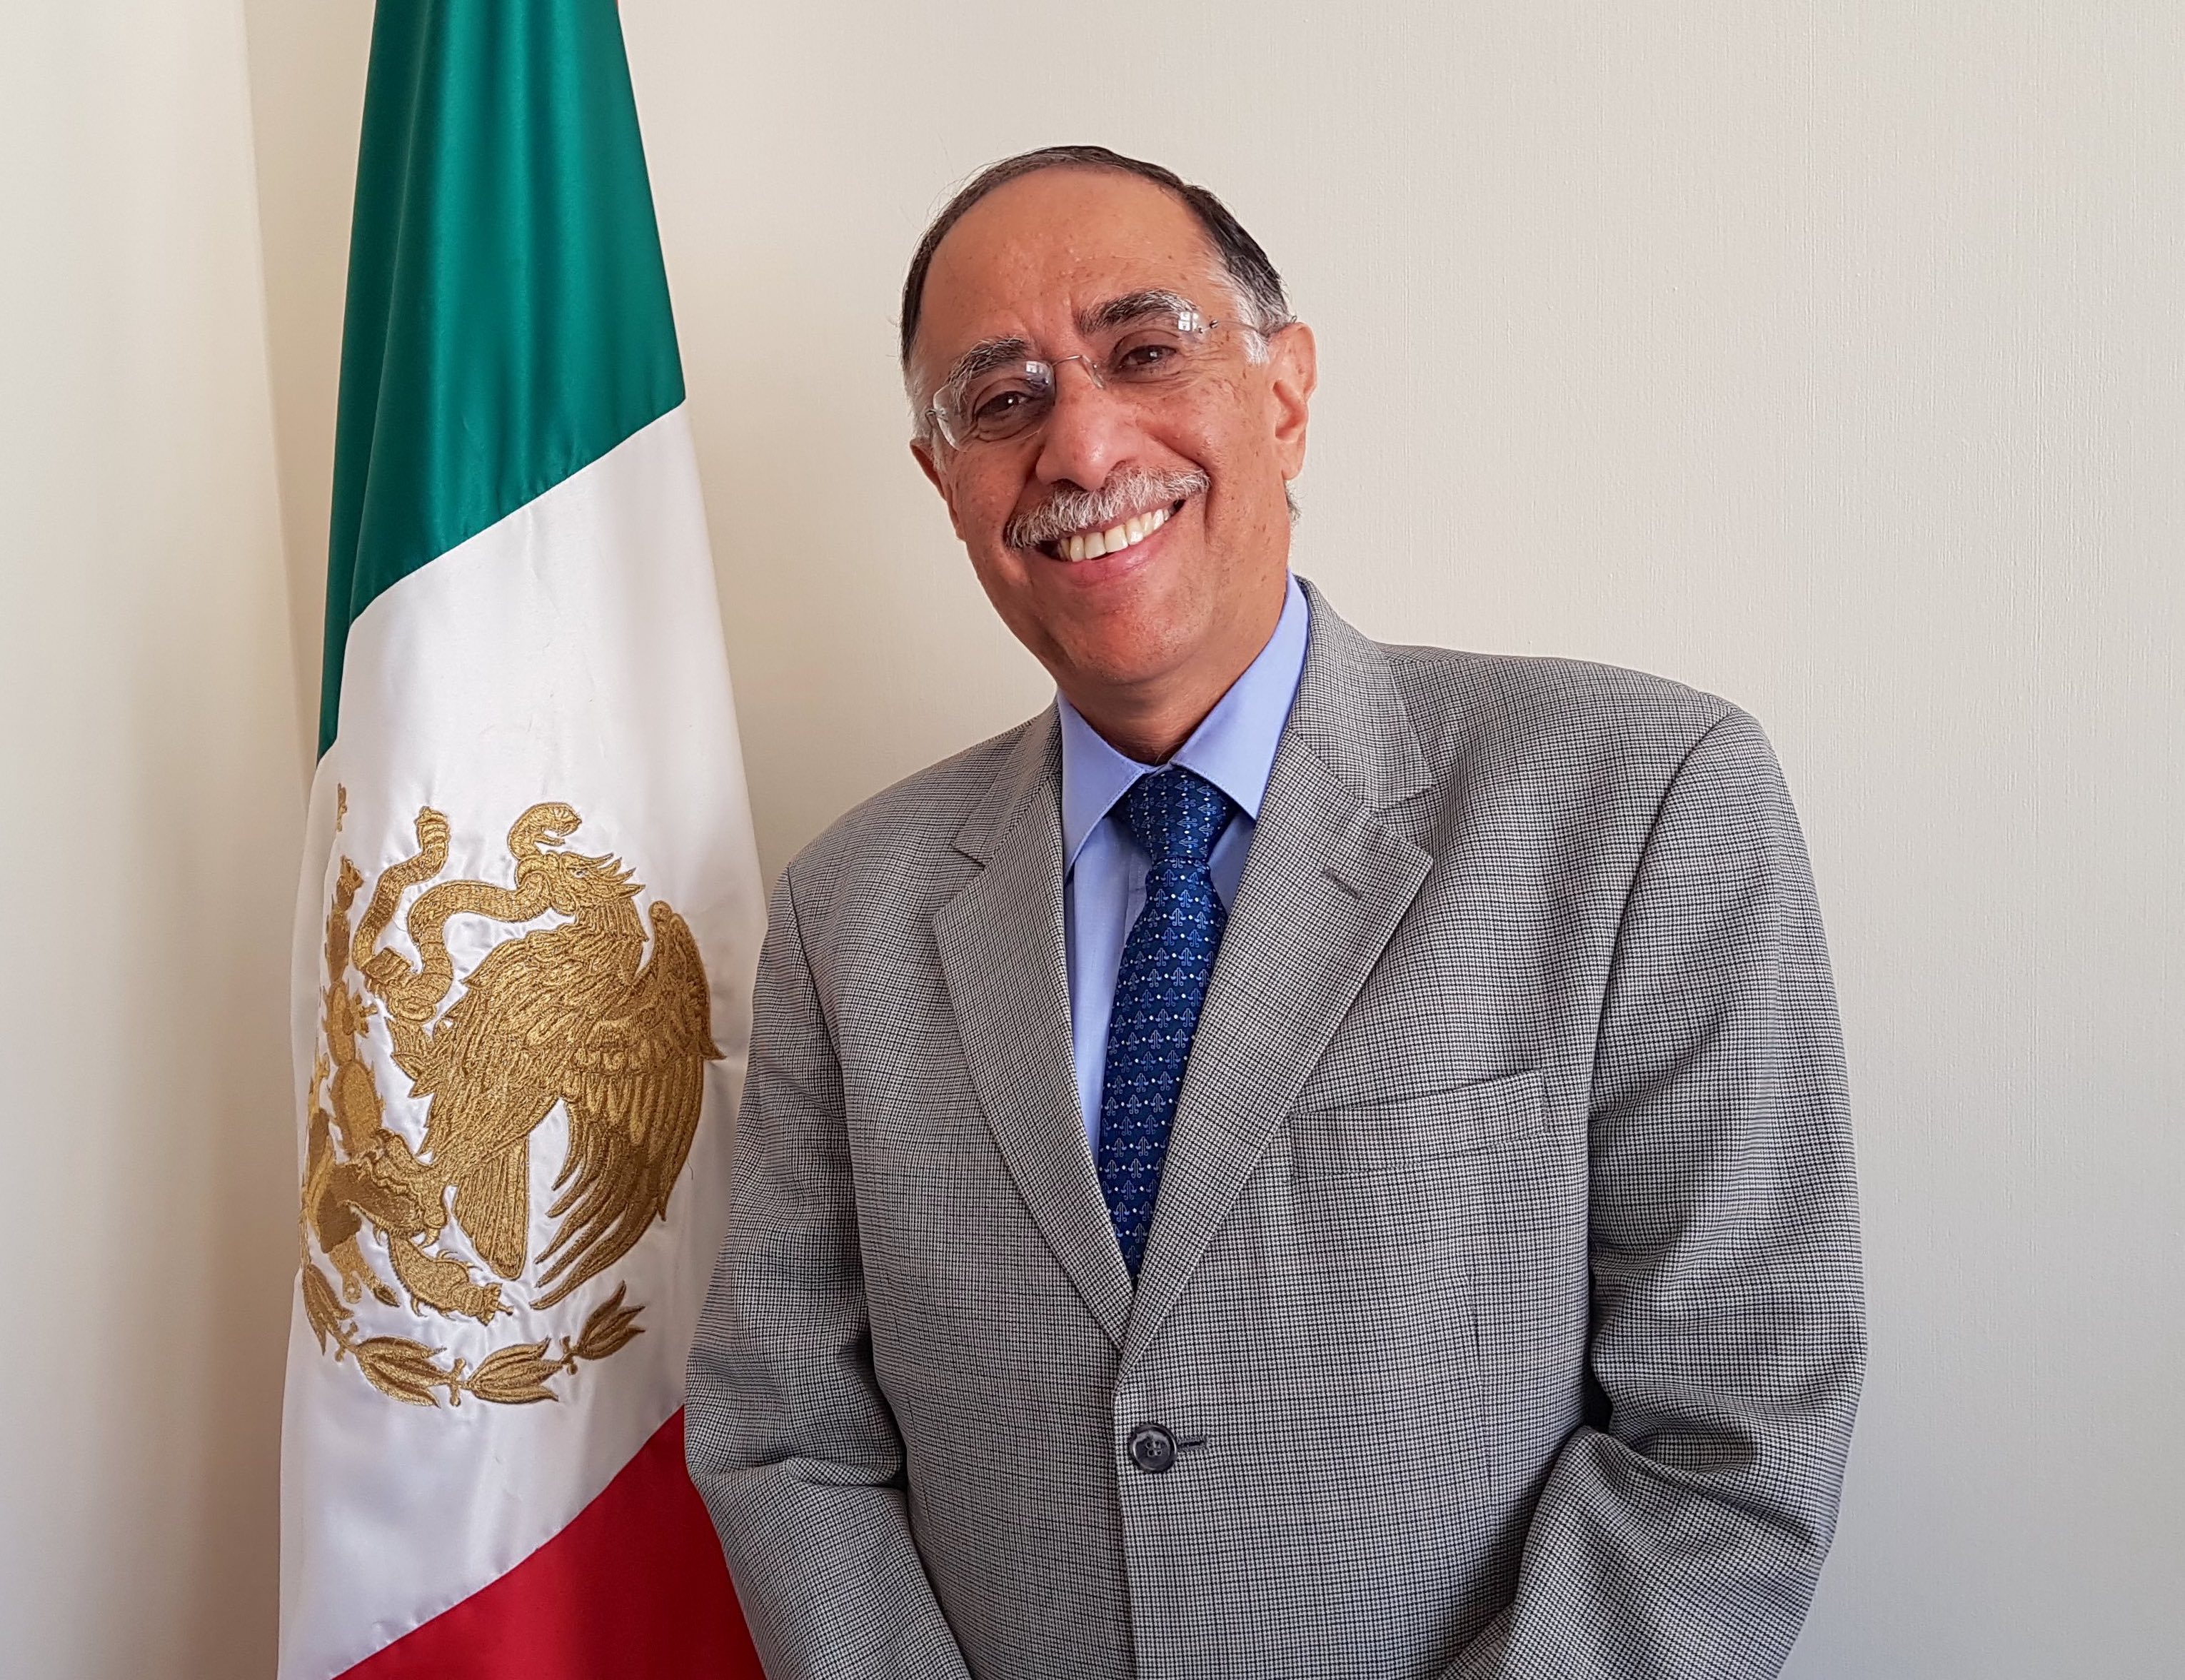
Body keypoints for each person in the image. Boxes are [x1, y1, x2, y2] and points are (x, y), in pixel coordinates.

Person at [685, 145, 1864, 1680]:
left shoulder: (1642, 800)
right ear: (945, 482)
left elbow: (1733, 1416)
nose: (1081, 444)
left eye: (1144, 351)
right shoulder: (849, 910)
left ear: (1288, 392)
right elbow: (791, 1434)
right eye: (1004, 400)